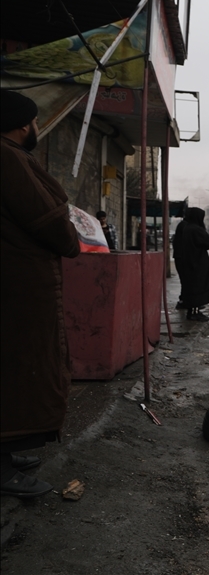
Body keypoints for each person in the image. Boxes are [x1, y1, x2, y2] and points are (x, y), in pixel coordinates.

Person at [1, 90, 81, 498]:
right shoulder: (9, 159)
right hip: (17, 288)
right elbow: (46, 219)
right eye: (33, 121)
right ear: (21, 125)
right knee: (18, 368)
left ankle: (8, 451)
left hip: (15, 284)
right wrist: (72, 240)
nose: (36, 128)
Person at [172, 207, 209, 321]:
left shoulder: (187, 228)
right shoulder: (196, 230)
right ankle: (194, 312)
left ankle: (192, 310)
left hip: (189, 261)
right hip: (198, 263)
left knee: (191, 287)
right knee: (198, 286)